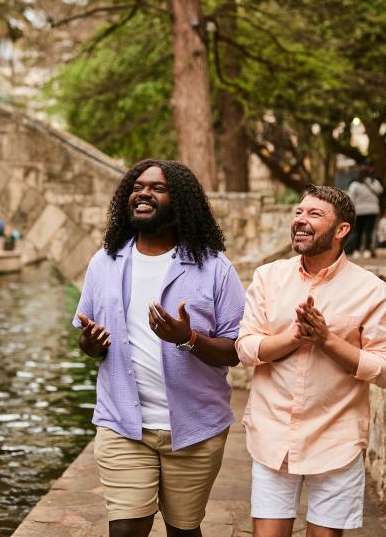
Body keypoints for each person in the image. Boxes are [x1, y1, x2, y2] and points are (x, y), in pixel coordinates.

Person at [74, 159, 246, 537]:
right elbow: (87, 341)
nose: (143, 192)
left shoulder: (215, 268)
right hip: (123, 425)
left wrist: (188, 338)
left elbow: (237, 349)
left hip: (195, 429)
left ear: (180, 201)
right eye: (137, 186)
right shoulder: (104, 263)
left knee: (183, 531)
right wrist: (90, 342)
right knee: (125, 530)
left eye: (157, 187)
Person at [236, 185, 386, 537]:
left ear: (341, 230)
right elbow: (246, 348)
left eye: (313, 215)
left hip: (335, 440)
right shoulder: (268, 278)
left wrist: (327, 341)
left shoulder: (371, 290)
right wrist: (295, 337)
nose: (301, 221)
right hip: (272, 433)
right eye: (298, 212)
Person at [346, 166, 383, 259]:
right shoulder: (374, 182)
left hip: (359, 210)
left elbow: (350, 197)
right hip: (372, 210)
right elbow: (381, 191)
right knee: (369, 231)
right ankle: (367, 250)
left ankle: (357, 250)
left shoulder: (355, 184)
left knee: (358, 231)